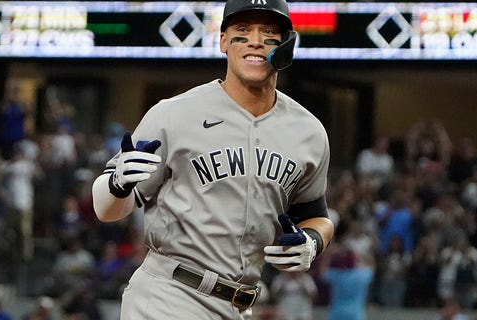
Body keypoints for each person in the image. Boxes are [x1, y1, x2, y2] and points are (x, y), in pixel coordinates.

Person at [91, 0, 335, 318]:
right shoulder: (174, 113)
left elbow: (316, 214)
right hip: (171, 295)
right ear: (223, 41)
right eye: (242, 30)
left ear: (287, 43)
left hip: (240, 305)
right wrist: (116, 184)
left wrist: (313, 241)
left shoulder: (308, 131)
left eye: (268, 32)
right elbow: (107, 210)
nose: (256, 40)